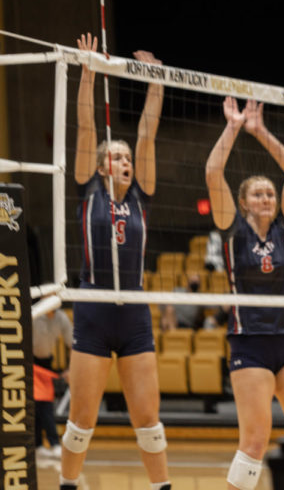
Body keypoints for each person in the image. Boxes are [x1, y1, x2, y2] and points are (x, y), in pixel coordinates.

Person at [64, 33, 170, 490]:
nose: (122, 159)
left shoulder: (142, 196)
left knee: (148, 419)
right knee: (81, 419)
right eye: (116, 155)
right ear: (103, 163)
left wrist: (156, 82)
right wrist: (88, 72)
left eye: (126, 156)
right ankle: (68, 485)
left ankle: (161, 487)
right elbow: (87, 129)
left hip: (134, 312)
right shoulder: (89, 188)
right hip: (92, 306)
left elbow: (147, 134)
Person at [205, 96, 284, 490]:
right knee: (255, 440)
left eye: (270, 194)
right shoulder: (232, 229)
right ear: (243, 203)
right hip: (249, 343)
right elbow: (213, 171)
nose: (266, 199)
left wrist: (261, 131)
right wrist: (235, 126)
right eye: (258, 194)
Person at [33, 307, 73, 459]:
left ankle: (52, 443)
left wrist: (70, 368)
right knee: (37, 405)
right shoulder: (35, 313)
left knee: (45, 404)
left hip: (46, 363)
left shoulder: (61, 317)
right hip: (31, 362)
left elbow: (71, 342)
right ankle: (40, 444)